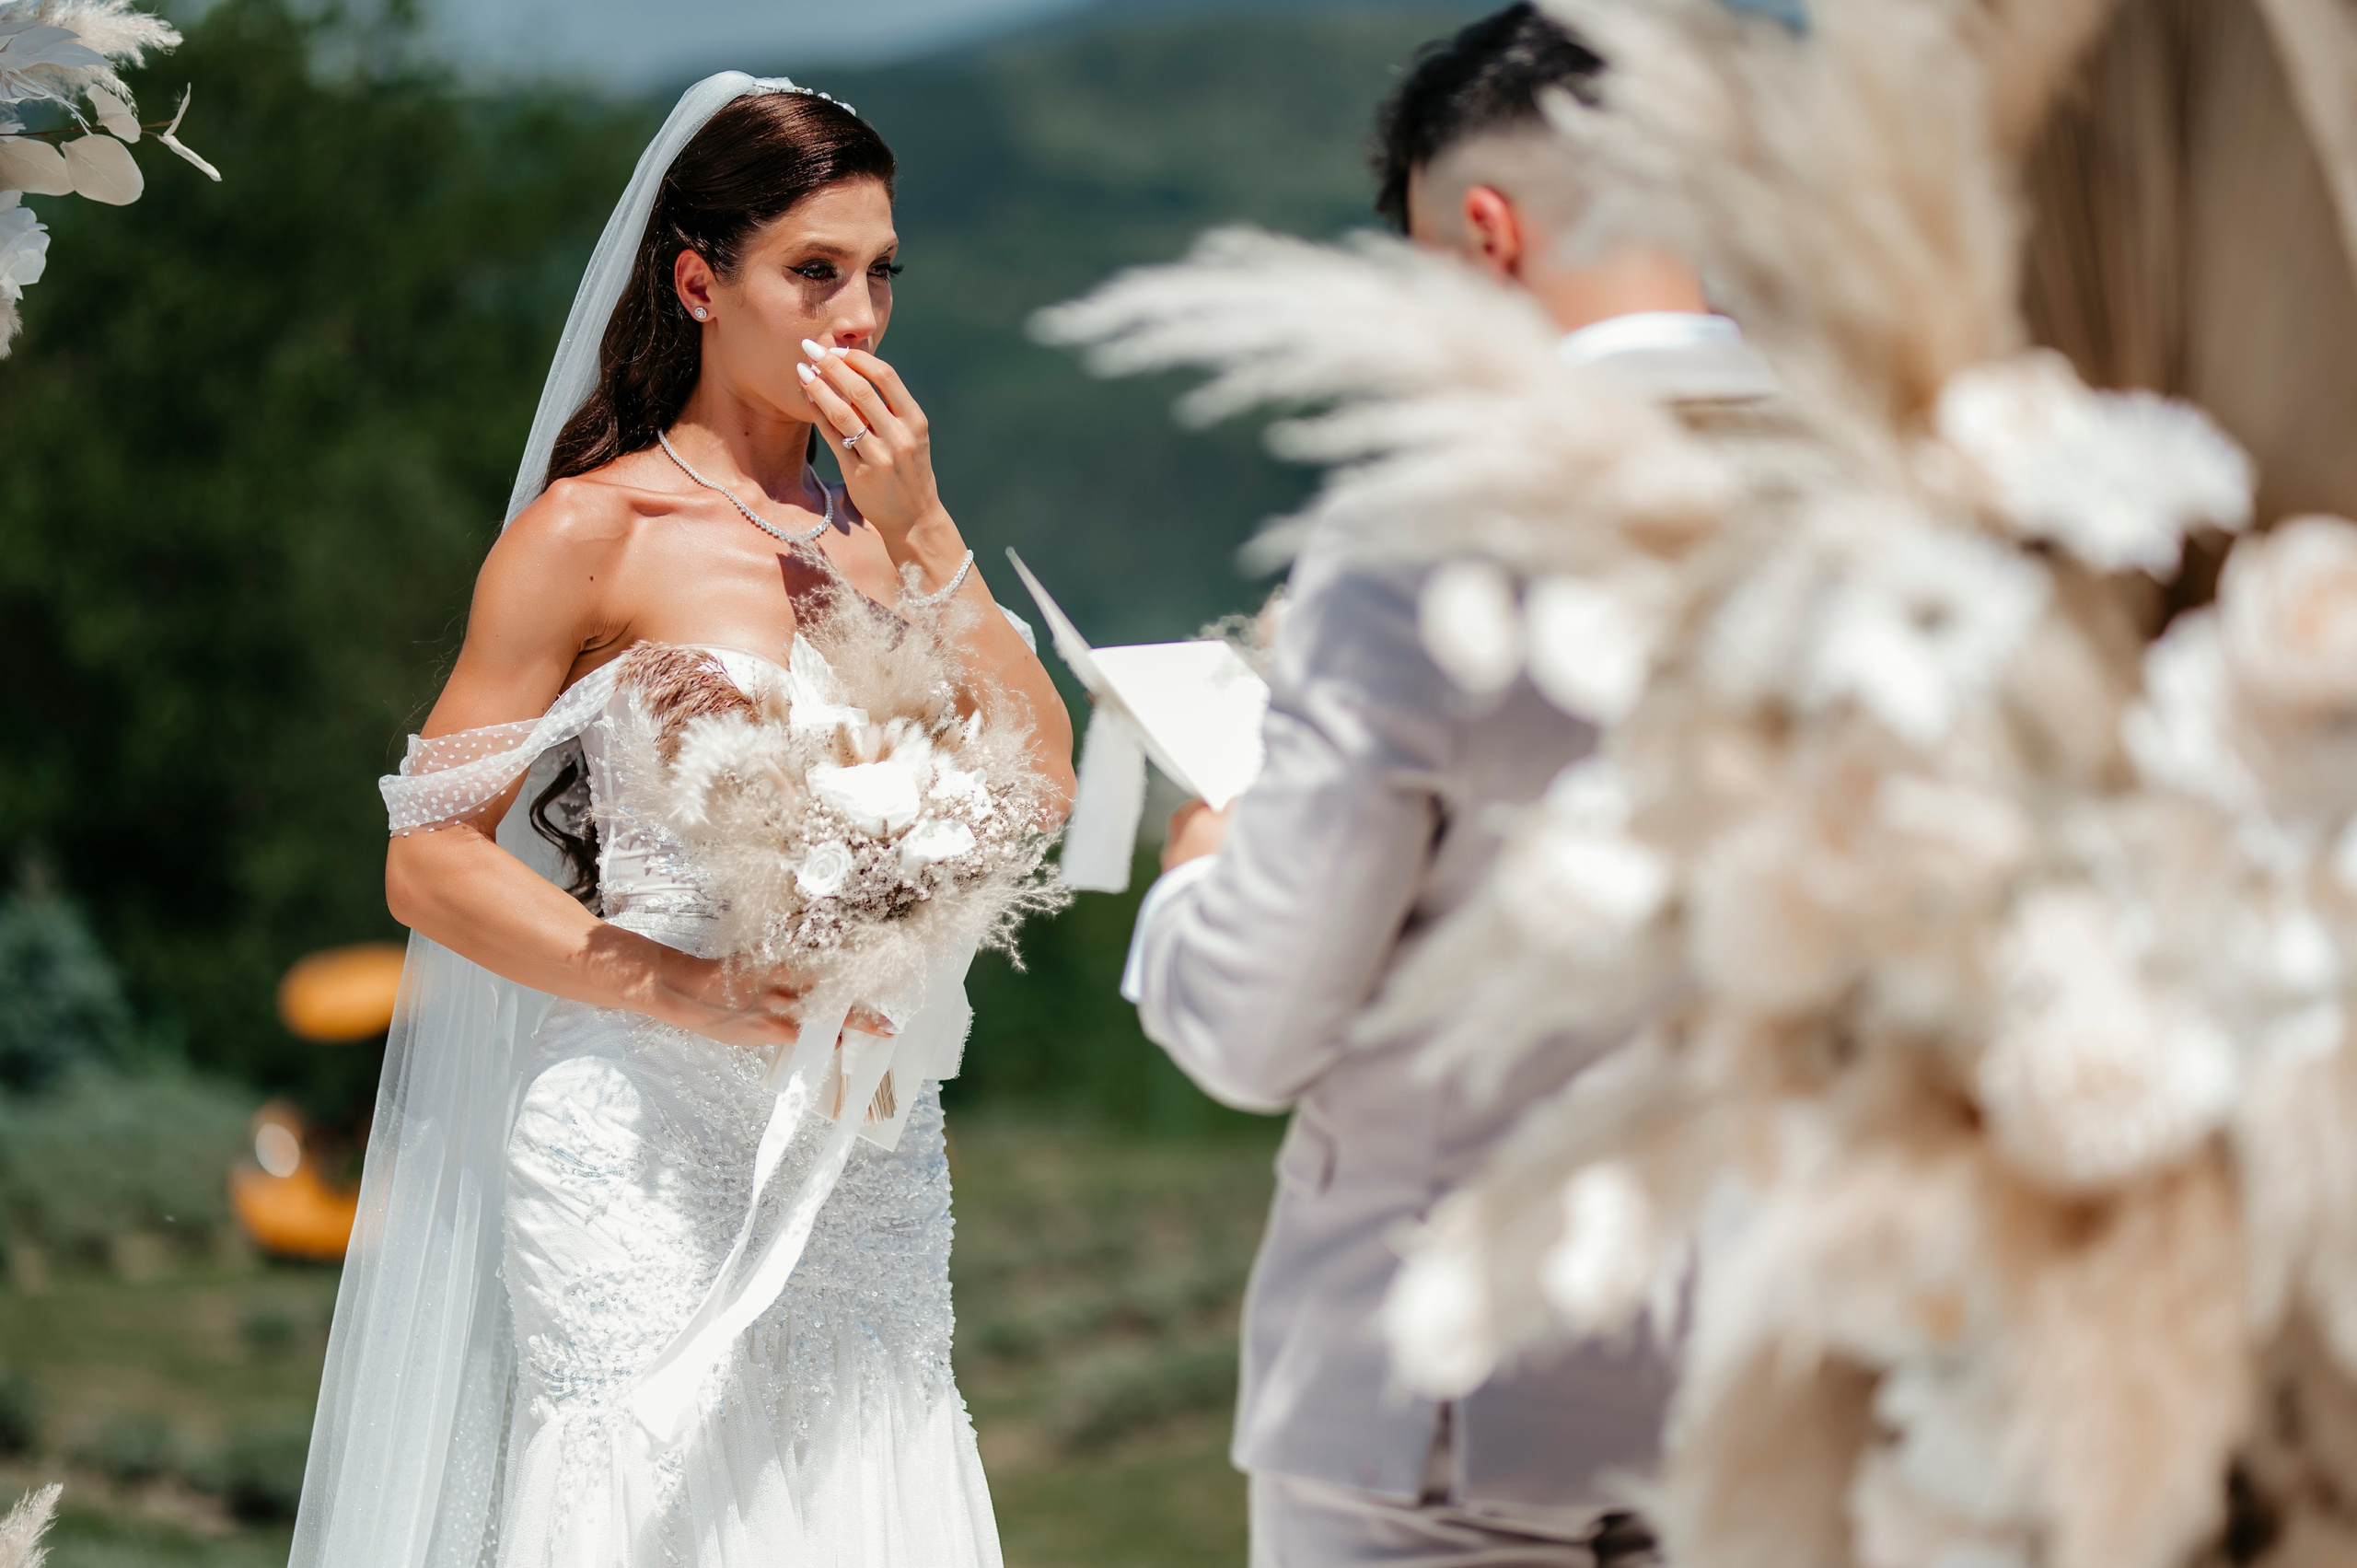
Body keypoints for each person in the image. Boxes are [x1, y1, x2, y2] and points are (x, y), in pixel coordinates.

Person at [290, 76, 1073, 1568]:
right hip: (632, 1139)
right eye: (815, 273)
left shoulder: (880, 537)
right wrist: (686, 988)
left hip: (859, 1140)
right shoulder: (597, 531)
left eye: (881, 273)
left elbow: (1045, 781)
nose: (859, 315)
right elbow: (427, 857)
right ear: (700, 282)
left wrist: (924, 530)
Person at [1120, 7, 1775, 1566]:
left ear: (1484, 234)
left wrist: (1200, 868)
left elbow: (1253, 1027)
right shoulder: (1896, 487)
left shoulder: (1429, 528)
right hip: (1776, 1385)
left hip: (1446, 1394)